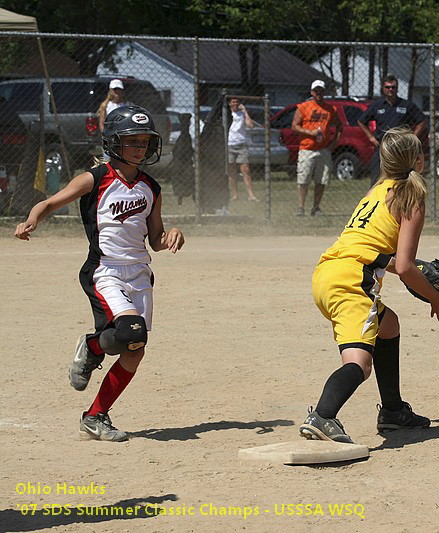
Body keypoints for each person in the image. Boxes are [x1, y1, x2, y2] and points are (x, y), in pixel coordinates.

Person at [14, 105, 185, 442]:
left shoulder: (151, 187)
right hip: (105, 270)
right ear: (113, 142)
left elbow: (156, 239)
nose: (139, 147)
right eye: (131, 140)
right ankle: (93, 347)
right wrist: (32, 219)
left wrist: (172, 235)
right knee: (130, 330)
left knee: (135, 346)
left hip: (139, 273)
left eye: (145, 141)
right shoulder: (95, 177)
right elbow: (50, 202)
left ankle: (95, 415)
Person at [298, 126, 439, 444]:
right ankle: (322, 416)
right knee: (359, 364)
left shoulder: (376, 190)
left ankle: (393, 412)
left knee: (389, 326)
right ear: (417, 160)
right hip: (351, 282)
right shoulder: (413, 197)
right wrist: (436, 300)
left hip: (327, 273)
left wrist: (415, 271)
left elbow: (376, 253)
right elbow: (404, 266)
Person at [357, 75, 427, 185]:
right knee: (376, 181)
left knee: (402, 180)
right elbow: (361, 121)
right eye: (387, 87)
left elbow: (422, 121)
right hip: (382, 148)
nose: (390, 90)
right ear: (383, 88)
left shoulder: (406, 105)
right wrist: (371, 137)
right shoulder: (377, 105)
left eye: (393, 87)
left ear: (397, 88)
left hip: (401, 149)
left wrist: (412, 137)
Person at [292, 80, 343, 216]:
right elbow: (294, 126)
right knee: (303, 180)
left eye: (321, 91)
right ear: (312, 92)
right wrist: (310, 132)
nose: (318, 93)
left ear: (324, 92)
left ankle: (316, 207)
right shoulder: (303, 107)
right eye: (316, 91)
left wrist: (333, 145)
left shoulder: (331, 109)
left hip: (323, 149)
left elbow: (339, 127)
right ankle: (300, 208)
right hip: (307, 149)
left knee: (321, 180)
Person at [226, 97, 257, 202]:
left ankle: (251, 195)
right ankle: (234, 195)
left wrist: (245, 111)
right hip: (230, 145)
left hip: (241, 145)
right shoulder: (227, 114)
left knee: (245, 170)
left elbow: (251, 125)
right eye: (233, 102)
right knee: (231, 171)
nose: (235, 104)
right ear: (229, 104)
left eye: (237, 102)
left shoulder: (242, 114)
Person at [170, 113, 195, 205]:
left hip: (184, 161)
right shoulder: (184, 136)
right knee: (182, 176)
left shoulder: (185, 136)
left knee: (188, 176)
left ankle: (184, 195)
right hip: (181, 161)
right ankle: (181, 195)